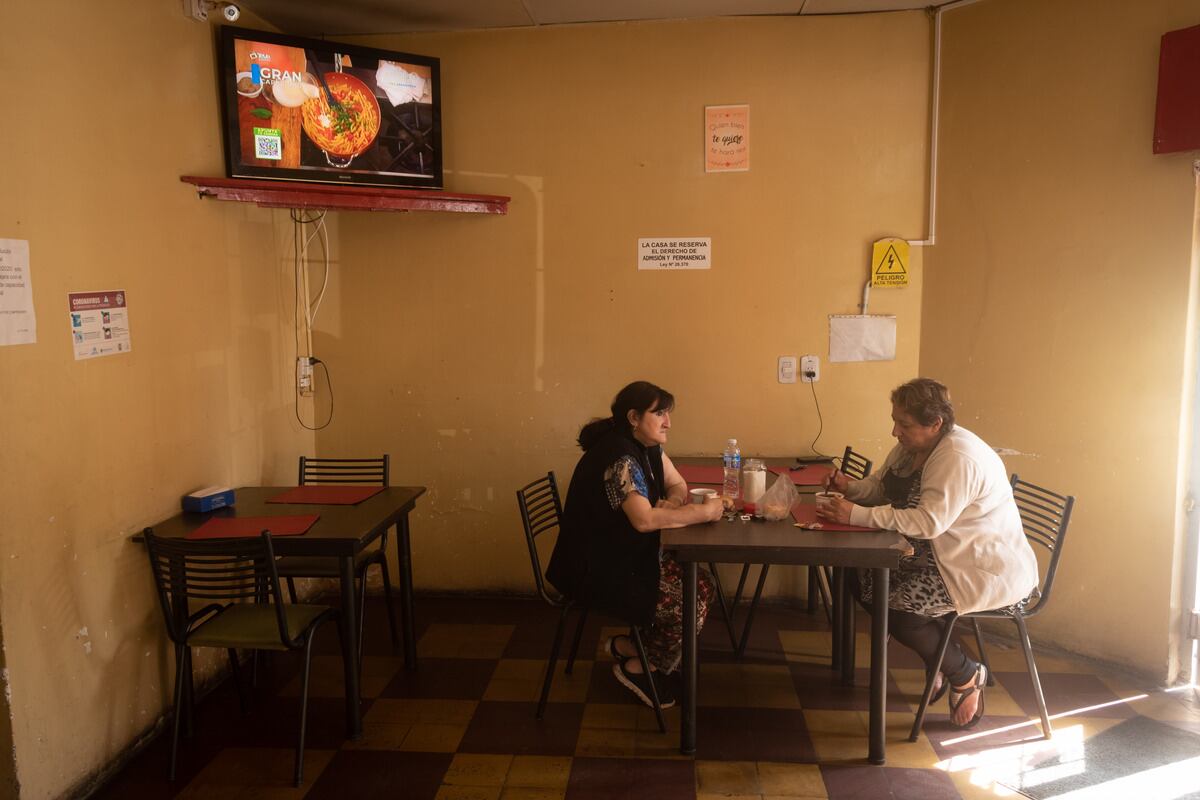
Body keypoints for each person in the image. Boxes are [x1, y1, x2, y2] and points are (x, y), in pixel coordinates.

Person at [816, 377, 1038, 729]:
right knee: (859, 578)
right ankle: (935, 655)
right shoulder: (914, 447)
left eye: (903, 424)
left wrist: (854, 514)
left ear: (935, 424)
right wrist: (852, 489)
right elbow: (882, 485)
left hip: (978, 565)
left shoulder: (957, 457)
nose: (894, 432)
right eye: (895, 420)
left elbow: (928, 521)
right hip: (937, 553)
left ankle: (965, 673)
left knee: (901, 612)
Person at [546, 380, 724, 709]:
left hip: (620, 556)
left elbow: (676, 482)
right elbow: (643, 520)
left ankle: (636, 647)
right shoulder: (618, 458)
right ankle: (639, 666)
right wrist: (700, 512)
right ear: (634, 417)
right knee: (691, 596)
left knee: (701, 583)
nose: (668, 422)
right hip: (593, 570)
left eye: (668, 414)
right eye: (660, 414)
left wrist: (672, 501)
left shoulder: (645, 443)